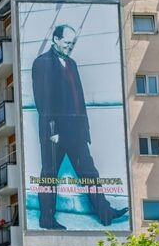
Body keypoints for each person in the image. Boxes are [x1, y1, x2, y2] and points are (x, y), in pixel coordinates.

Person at [32, 23, 128, 229]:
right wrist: (53, 131)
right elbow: (43, 100)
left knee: (89, 172)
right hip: (55, 133)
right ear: (56, 40)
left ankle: (105, 213)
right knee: (49, 176)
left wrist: (85, 130)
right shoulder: (42, 63)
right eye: (66, 42)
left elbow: (79, 99)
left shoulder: (72, 64)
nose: (69, 47)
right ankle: (47, 219)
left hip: (76, 131)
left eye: (72, 43)